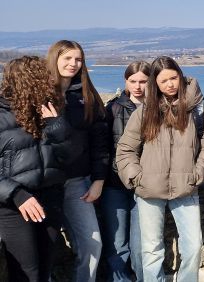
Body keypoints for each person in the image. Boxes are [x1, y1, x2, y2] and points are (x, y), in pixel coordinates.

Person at [115, 56, 204, 282]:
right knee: (151, 250)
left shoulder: (199, 110)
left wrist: (197, 174)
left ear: (181, 76)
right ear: (155, 84)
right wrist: (137, 178)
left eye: (174, 78)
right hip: (149, 190)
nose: (170, 84)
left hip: (186, 188)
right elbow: (125, 149)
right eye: (164, 81)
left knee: (193, 247)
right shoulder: (145, 112)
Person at [0, 56, 72, 282]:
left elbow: (67, 157)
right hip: (15, 205)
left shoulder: (48, 111)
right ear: (29, 81)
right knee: (26, 273)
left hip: (50, 198)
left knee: (44, 268)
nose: (50, 82)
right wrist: (17, 195)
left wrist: (56, 126)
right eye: (43, 78)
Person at [47, 40, 108, 282]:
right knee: (43, 247)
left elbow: (100, 141)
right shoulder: (40, 93)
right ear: (55, 59)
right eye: (67, 58)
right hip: (45, 183)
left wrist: (99, 180)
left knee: (92, 245)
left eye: (78, 59)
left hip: (77, 183)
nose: (73, 64)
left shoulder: (86, 95)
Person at [100, 61, 150, 282]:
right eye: (133, 81)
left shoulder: (158, 109)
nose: (137, 86)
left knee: (141, 245)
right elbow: (104, 147)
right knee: (117, 244)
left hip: (146, 185)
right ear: (125, 81)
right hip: (114, 183)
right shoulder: (112, 109)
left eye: (143, 81)